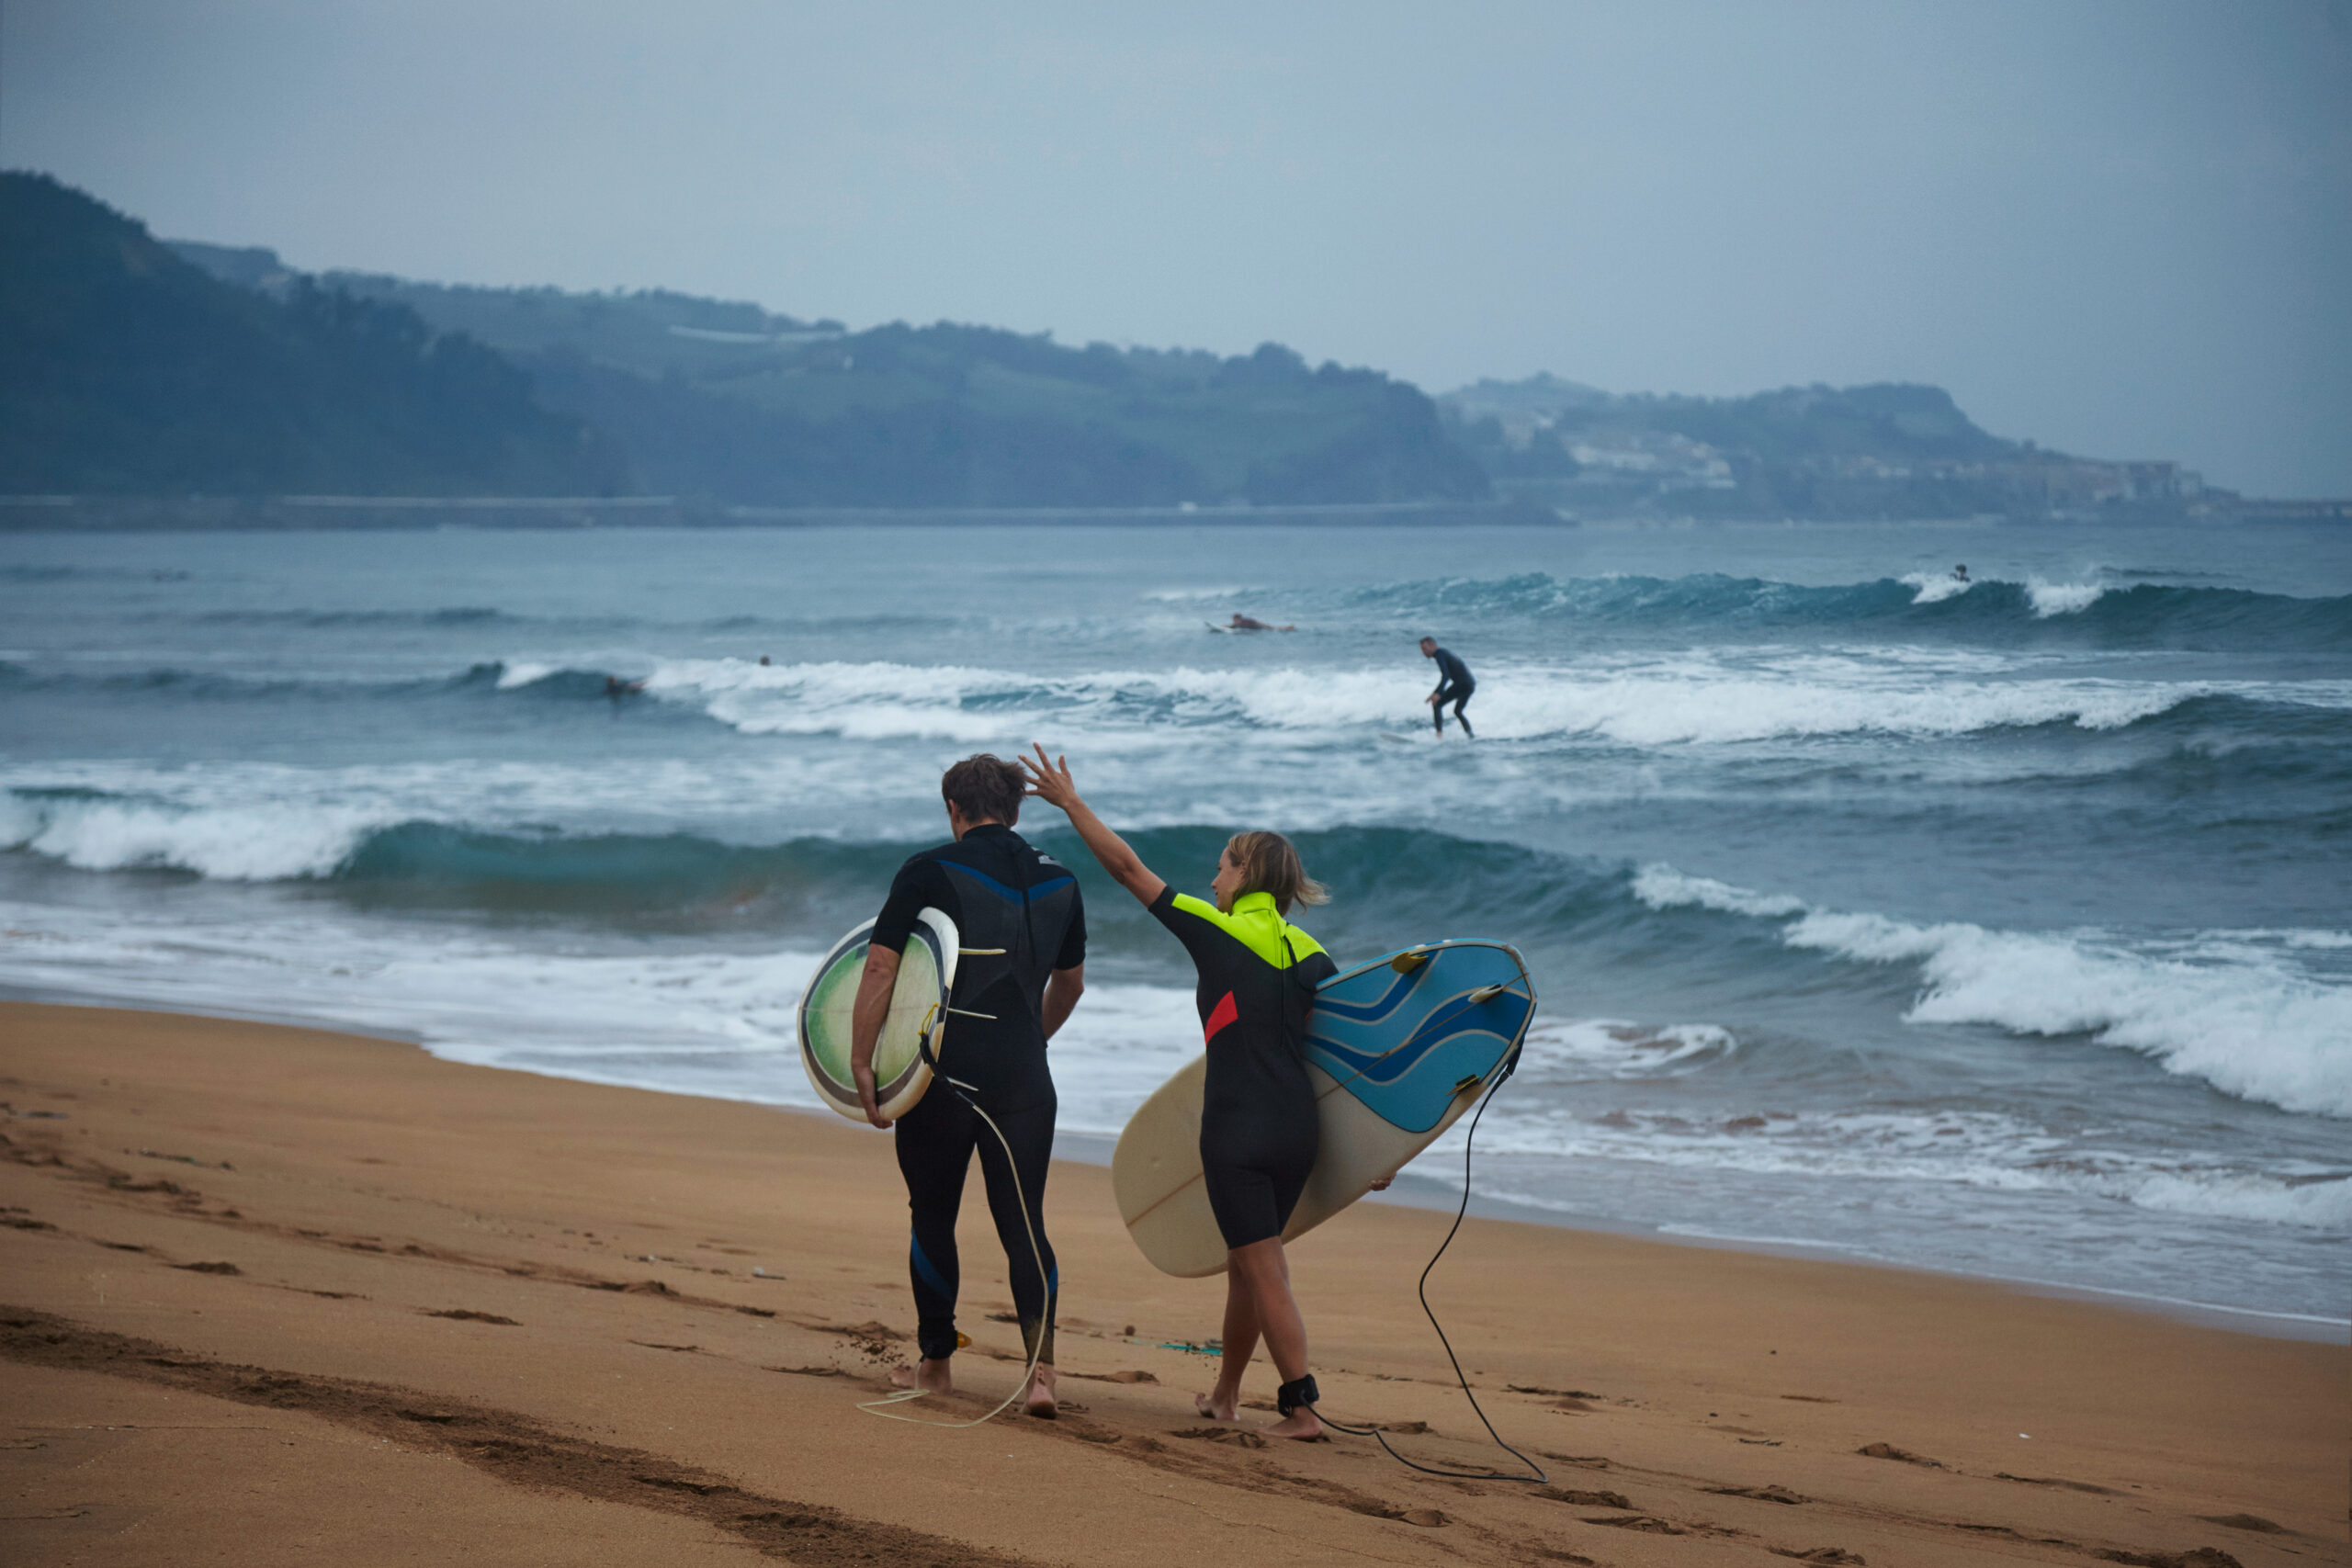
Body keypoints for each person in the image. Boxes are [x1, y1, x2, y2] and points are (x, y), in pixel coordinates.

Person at [1020, 743, 1338, 1440]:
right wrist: (1383, 1150)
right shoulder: (1312, 955)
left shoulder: (1218, 931)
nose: (1213, 876)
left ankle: (1302, 1405)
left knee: (1264, 1265)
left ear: (1245, 873)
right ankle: (1225, 1394)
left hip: (1239, 1126)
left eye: (1222, 864)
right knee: (1248, 1264)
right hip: (1297, 1129)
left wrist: (1072, 803)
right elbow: (1341, 1059)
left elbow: (1128, 869)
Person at [849, 754, 1087, 1418]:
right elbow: (1070, 985)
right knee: (1024, 1224)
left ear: (954, 809)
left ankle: (936, 1366)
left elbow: (880, 966)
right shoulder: (1061, 879)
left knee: (934, 1214)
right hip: (1026, 1081)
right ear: (1015, 809)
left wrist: (864, 1060)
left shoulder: (929, 869)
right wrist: (1031, 1044)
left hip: (942, 1076)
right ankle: (1041, 1376)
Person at [1419, 637, 1475, 738]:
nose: (1423, 652)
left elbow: (1446, 676)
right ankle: (1471, 736)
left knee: (1437, 705)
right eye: (1422, 649)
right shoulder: (1443, 653)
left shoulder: (1440, 654)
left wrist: (1437, 693)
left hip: (1462, 684)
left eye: (1425, 648)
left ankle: (1439, 736)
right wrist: (1437, 692)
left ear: (1433, 646)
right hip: (1470, 684)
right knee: (1458, 711)